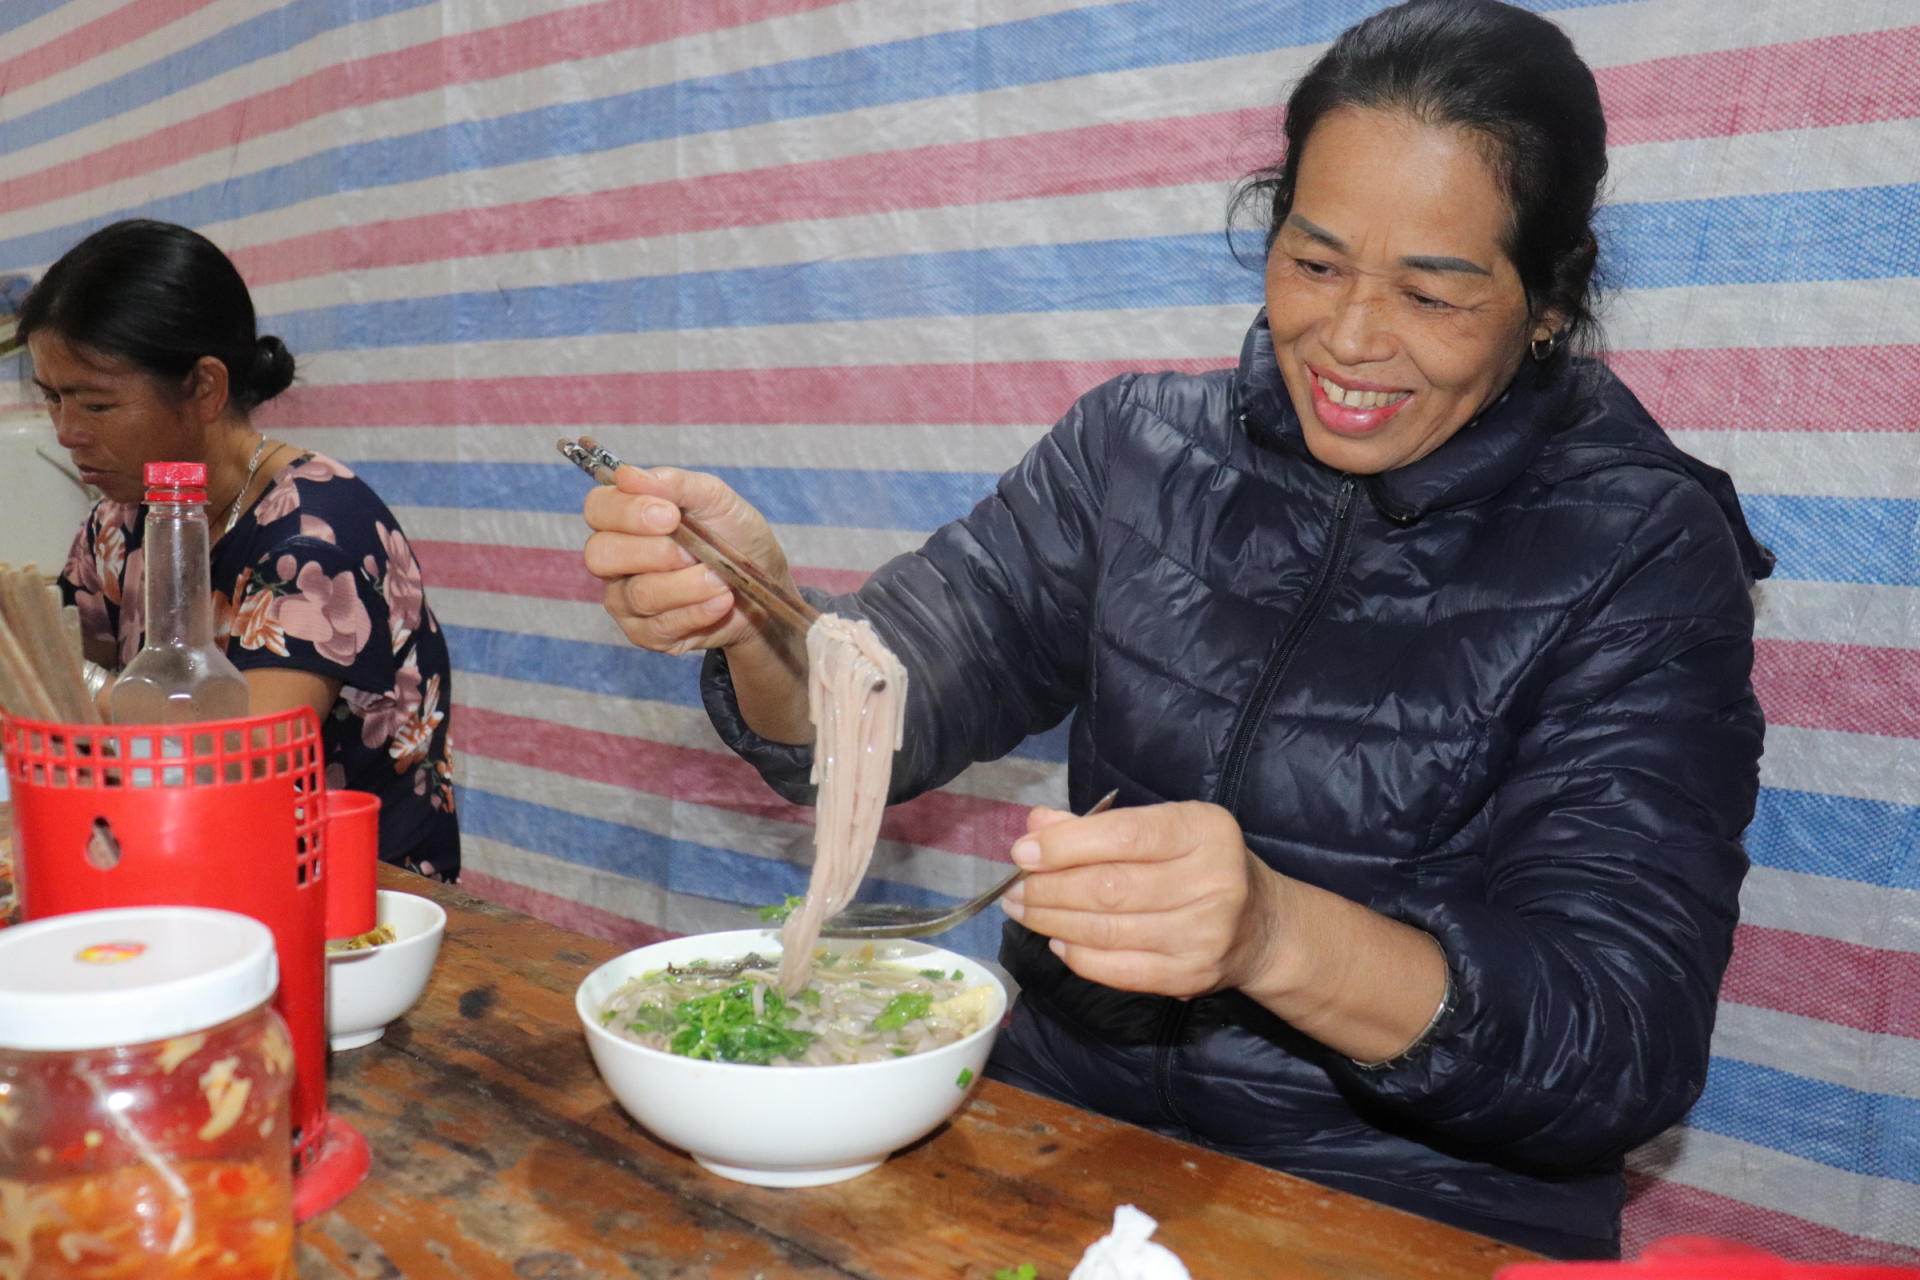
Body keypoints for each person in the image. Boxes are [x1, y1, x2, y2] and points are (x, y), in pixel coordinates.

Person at [580, 0, 1769, 1257]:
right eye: (1314, 264)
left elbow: (1620, 1043)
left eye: (1432, 292)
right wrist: (761, 617)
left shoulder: (1637, 551)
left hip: (1413, 1212)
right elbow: (887, 699)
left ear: (1548, 299)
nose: (1351, 337)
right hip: (1065, 1152)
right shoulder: (1137, 452)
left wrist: (1273, 931)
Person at [23, 219, 460, 881]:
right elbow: (44, 660)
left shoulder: (317, 533)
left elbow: (245, 756)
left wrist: (76, 686)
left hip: (342, 900)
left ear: (204, 387)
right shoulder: (120, 521)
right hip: (182, 863)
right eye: (53, 399)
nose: (66, 433)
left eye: (96, 404)